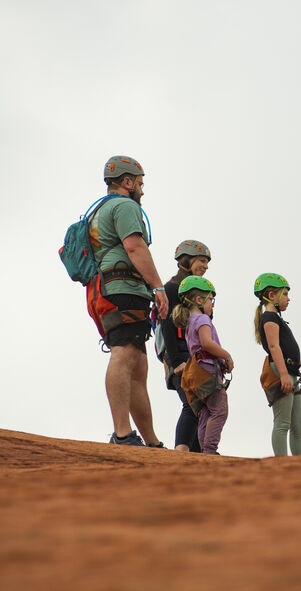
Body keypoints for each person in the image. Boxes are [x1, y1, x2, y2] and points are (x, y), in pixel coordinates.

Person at [86, 155, 169, 447]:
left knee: (138, 366)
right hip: (122, 286)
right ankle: (122, 434)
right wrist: (158, 287)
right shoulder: (125, 206)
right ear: (127, 181)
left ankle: (150, 441)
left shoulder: (100, 210)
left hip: (105, 288)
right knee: (124, 353)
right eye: (140, 183)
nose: (142, 190)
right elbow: (134, 247)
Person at [254, 273, 301, 456]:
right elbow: (274, 347)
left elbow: (283, 351)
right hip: (281, 372)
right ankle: (281, 465)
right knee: (283, 423)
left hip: (290, 371)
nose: (288, 298)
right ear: (271, 295)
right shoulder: (269, 317)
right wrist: (284, 375)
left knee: (298, 426)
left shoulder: (276, 318)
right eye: (284, 294)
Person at [159, 240, 212, 452]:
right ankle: (180, 453)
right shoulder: (172, 289)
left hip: (194, 355)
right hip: (179, 354)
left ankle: (197, 454)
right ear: (186, 261)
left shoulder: (198, 294)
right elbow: (167, 326)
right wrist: (176, 361)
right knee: (192, 403)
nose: (205, 266)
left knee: (203, 405)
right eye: (201, 261)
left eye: (207, 262)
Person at [172, 276, 233, 455]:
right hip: (208, 370)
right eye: (210, 300)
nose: (212, 305)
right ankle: (210, 450)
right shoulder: (203, 319)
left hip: (196, 372)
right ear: (199, 300)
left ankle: (204, 452)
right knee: (220, 410)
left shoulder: (189, 322)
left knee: (205, 413)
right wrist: (227, 356)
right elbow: (207, 344)